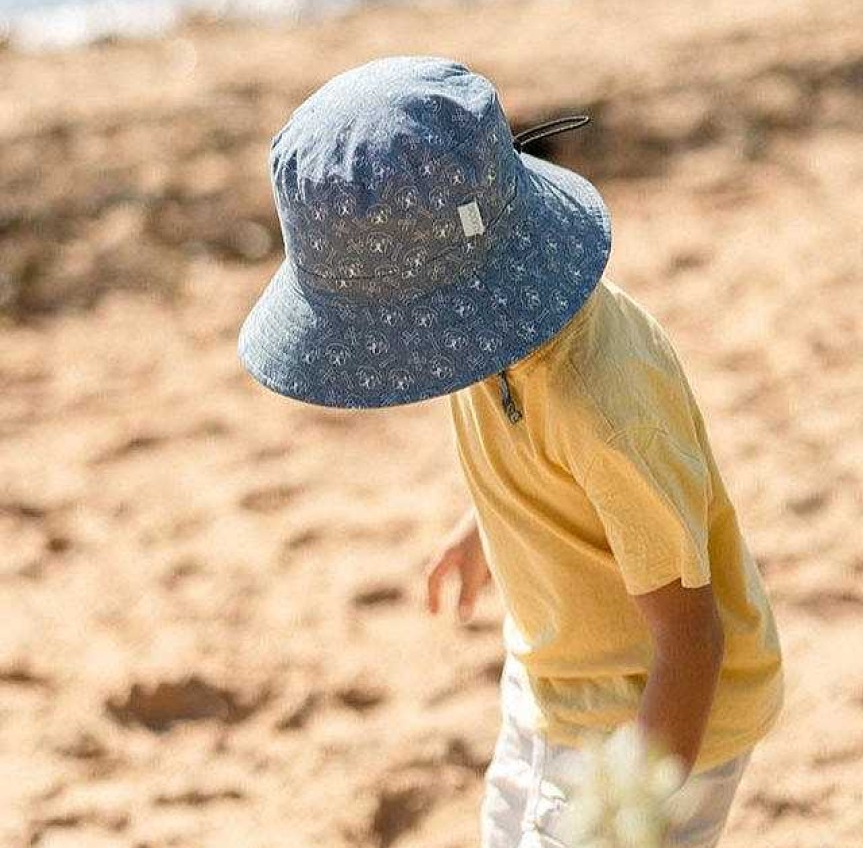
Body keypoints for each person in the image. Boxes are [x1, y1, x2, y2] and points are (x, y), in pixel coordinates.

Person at [237, 55, 784, 848]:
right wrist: (481, 528)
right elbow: (542, 459)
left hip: (650, 715)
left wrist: (632, 812)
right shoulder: (500, 322)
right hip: (553, 675)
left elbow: (691, 641)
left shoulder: (600, 407)